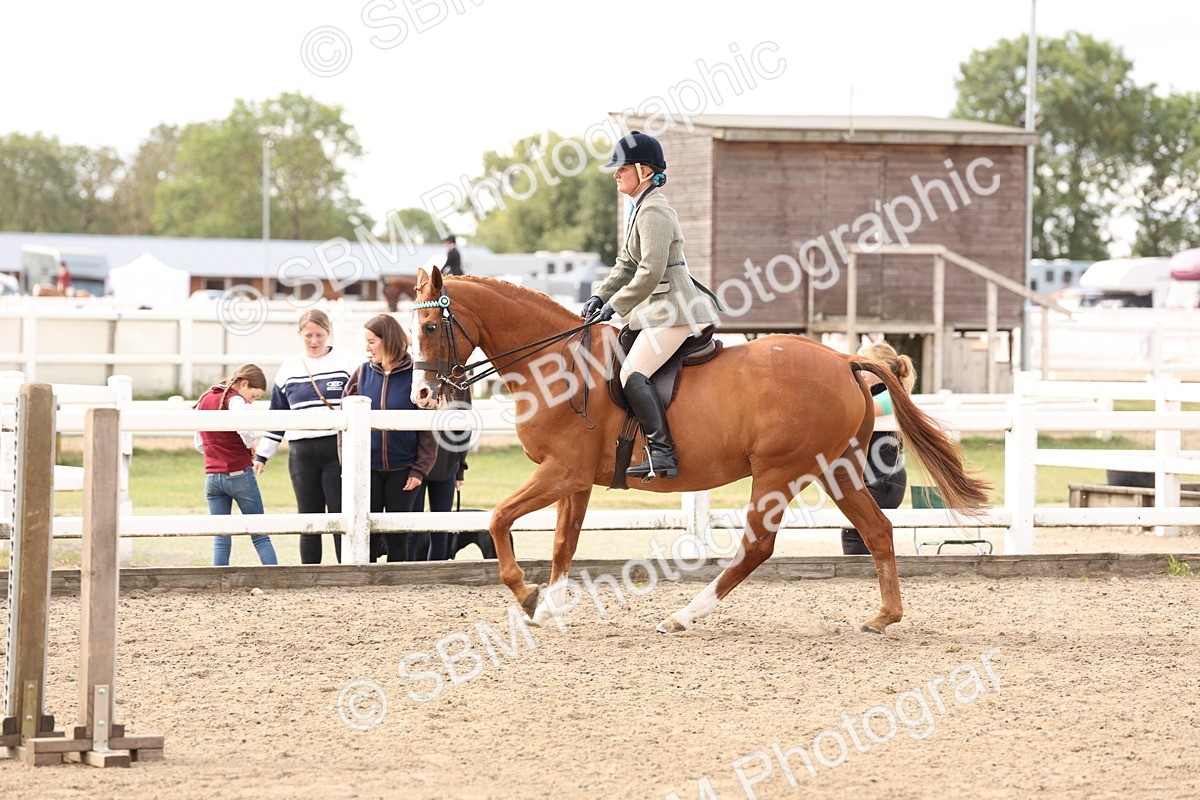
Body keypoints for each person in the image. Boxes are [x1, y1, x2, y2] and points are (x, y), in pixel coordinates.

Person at [581, 130, 721, 482]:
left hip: (674, 310)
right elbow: (626, 264)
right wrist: (600, 295)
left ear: (644, 171)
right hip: (657, 310)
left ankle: (663, 454)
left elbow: (651, 269)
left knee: (632, 374)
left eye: (622, 168)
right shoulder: (639, 209)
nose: (616, 174)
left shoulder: (654, 210)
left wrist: (617, 304)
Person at [255, 309, 360, 564]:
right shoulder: (289, 368)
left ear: (329, 333)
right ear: (299, 335)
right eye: (308, 336)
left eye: (319, 335)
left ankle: (344, 571)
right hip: (301, 452)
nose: (314, 341)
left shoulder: (348, 361)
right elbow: (277, 415)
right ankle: (309, 572)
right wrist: (262, 455)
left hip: (336, 448)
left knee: (339, 514)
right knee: (308, 517)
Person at [344, 314, 437, 561]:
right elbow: (343, 425)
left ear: (389, 341)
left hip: (404, 469)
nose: (366, 347)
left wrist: (419, 470)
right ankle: (366, 584)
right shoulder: (361, 374)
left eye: (371, 341)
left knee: (398, 535)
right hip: (367, 469)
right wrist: (348, 463)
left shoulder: (415, 376)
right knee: (367, 533)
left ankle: (396, 585)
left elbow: (428, 428)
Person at [194, 364, 278, 567]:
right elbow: (246, 430)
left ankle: (219, 581)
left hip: (212, 476)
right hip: (238, 474)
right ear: (244, 384)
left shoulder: (205, 399)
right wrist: (251, 446)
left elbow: (198, 442)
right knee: (259, 533)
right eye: (254, 395)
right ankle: (275, 575)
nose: (251, 401)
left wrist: (216, 452)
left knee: (221, 536)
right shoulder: (235, 400)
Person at [841, 342, 917, 555]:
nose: (859, 371)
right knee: (855, 531)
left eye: (864, 366)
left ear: (881, 368)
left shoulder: (892, 394)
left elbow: (866, 410)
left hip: (884, 479)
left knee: (856, 533)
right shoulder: (875, 392)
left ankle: (864, 580)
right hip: (873, 476)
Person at [412, 386, 470, 560]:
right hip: (414, 465)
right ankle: (409, 571)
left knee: (441, 530)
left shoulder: (459, 381)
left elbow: (464, 427)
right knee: (412, 526)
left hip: (447, 464)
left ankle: (436, 573)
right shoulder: (416, 377)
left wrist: (460, 468)